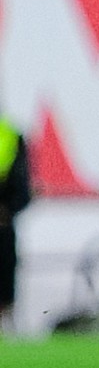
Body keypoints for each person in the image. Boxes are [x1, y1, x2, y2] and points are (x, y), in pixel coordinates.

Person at [0, 114, 30, 335]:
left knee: (4, 266)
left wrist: (9, 209)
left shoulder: (11, 136)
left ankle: (5, 316)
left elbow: (22, 183)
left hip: (3, 221)